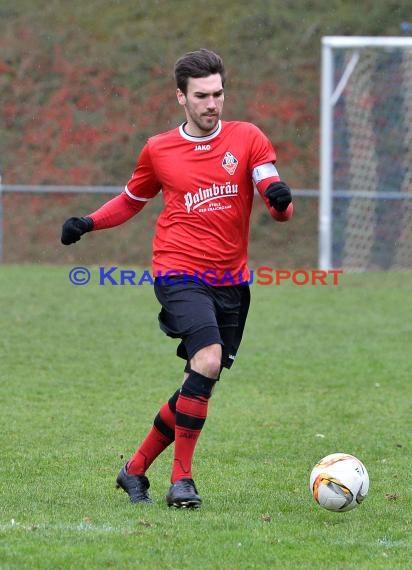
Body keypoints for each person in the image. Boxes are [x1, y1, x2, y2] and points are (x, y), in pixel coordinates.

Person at [61, 48, 293, 509]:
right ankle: (181, 481)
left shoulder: (248, 138)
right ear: (181, 98)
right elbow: (132, 199)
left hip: (231, 281)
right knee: (206, 360)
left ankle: (134, 470)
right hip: (178, 270)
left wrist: (280, 200)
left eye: (219, 93)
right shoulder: (159, 148)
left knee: (199, 380)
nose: (213, 104)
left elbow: (273, 194)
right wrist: (88, 222)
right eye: (202, 95)